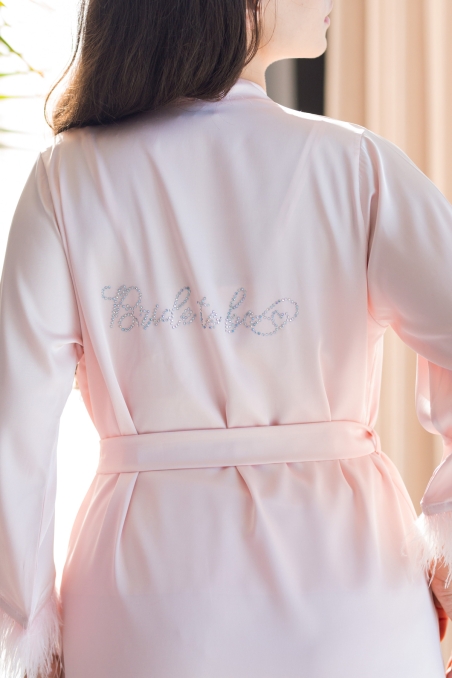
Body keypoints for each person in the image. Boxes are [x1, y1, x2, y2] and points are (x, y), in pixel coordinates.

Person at [1, 0, 452, 675]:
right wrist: (444, 539)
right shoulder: (358, 168)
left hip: (137, 608)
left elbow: (14, 433)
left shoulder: (64, 181)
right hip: (355, 600)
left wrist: (31, 628)